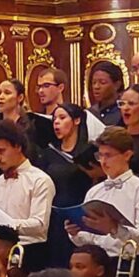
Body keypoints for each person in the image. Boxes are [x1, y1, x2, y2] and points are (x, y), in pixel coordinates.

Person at [0, 121, 55, 271]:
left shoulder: (40, 180)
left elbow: (39, 226)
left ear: (18, 146)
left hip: (29, 254)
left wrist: (2, 224)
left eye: (1, 151)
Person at [66, 127, 139, 261]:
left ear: (127, 155)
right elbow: (91, 239)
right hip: (97, 261)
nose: (102, 161)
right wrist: (75, 234)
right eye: (100, 155)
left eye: (108, 155)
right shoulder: (94, 191)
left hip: (127, 261)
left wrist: (115, 229)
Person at [41, 103, 95, 267]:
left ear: (77, 120)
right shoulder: (49, 152)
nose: (56, 122)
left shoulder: (87, 151)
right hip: (55, 215)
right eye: (54, 119)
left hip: (79, 214)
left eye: (62, 118)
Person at [36, 66, 103, 138]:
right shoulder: (36, 119)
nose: (40, 91)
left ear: (60, 87)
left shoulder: (75, 114)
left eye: (46, 86)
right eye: (39, 87)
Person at [87, 62, 124, 127]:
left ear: (117, 85)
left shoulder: (124, 111)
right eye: (94, 82)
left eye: (102, 82)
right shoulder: (90, 113)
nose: (96, 87)